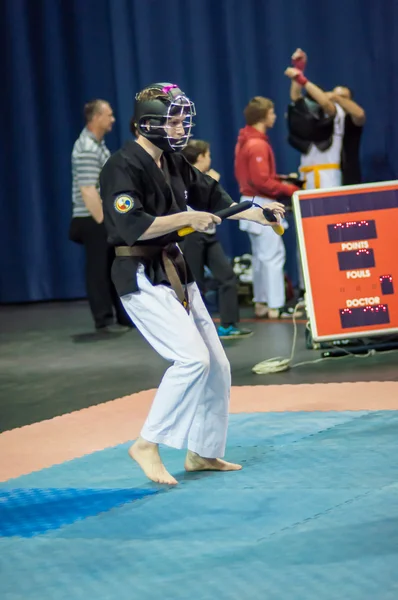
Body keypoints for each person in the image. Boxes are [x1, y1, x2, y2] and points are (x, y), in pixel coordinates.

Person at [99, 82, 285, 485]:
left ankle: (203, 451)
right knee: (192, 360)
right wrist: (186, 218)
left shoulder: (175, 161)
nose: (182, 126)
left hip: (175, 272)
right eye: (175, 120)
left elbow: (214, 198)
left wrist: (259, 212)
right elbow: (133, 226)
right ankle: (147, 443)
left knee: (216, 364)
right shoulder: (121, 166)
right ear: (148, 124)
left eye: (184, 119)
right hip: (139, 275)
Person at [234, 96, 300, 319]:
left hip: (249, 200)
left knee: (261, 257)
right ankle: (276, 305)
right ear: (263, 116)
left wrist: (279, 181)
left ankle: (261, 303)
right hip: (261, 203)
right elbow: (262, 181)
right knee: (273, 255)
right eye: (271, 112)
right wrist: (290, 189)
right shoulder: (258, 144)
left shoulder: (243, 141)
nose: (274, 116)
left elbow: (254, 177)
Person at [69, 99, 131, 333]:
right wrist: (104, 222)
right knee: (98, 270)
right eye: (109, 115)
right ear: (96, 118)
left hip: (102, 215)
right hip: (91, 217)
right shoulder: (86, 148)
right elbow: (88, 189)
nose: (112, 120)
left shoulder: (98, 145)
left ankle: (122, 317)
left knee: (110, 267)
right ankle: (104, 320)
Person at [181, 139, 252, 339]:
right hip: (191, 235)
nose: (210, 159)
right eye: (208, 155)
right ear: (200, 157)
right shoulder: (186, 179)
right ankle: (194, 329)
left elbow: (219, 205)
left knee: (227, 275)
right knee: (194, 283)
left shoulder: (208, 179)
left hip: (210, 235)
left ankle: (228, 325)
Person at [285, 49, 346, 190]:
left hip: (328, 178)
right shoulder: (311, 117)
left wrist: (302, 80)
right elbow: (296, 99)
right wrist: (298, 70)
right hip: (307, 177)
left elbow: (326, 104)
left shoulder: (336, 113)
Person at [330, 86, 366, 185]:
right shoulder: (326, 120)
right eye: (335, 97)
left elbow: (360, 115)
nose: (337, 100)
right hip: (328, 174)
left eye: (343, 97)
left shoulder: (352, 120)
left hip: (349, 176)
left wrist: (336, 98)